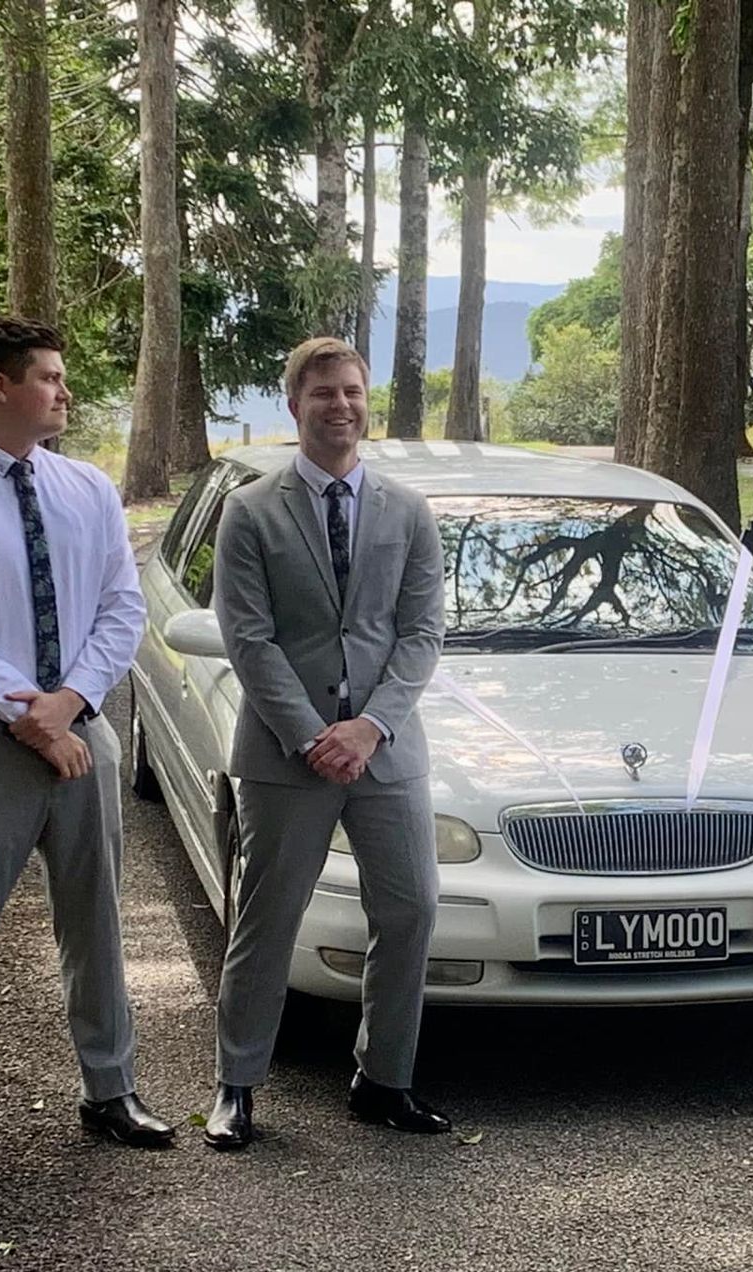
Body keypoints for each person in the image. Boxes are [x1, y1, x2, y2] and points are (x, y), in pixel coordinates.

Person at [0, 316, 173, 1186]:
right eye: (49, 377)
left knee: (96, 922)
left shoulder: (87, 490)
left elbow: (121, 610)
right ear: (0, 387)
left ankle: (110, 1089)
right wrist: (34, 720)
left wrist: (72, 706)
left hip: (82, 737)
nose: (64, 391)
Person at [202, 337, 449, 1148]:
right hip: (285, 754)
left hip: (386, 750)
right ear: (295, 405)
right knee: (267, 919)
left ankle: (384, 1079)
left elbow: (419, 633)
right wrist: (313, 736)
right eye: (323, 394)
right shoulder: (251, 509)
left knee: (410, 909)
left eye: (351, 391)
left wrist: (370, 726)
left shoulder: (408, 512)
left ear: (365, 399)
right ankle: (237, 1085)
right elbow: (249, 638)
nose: (340, 406)